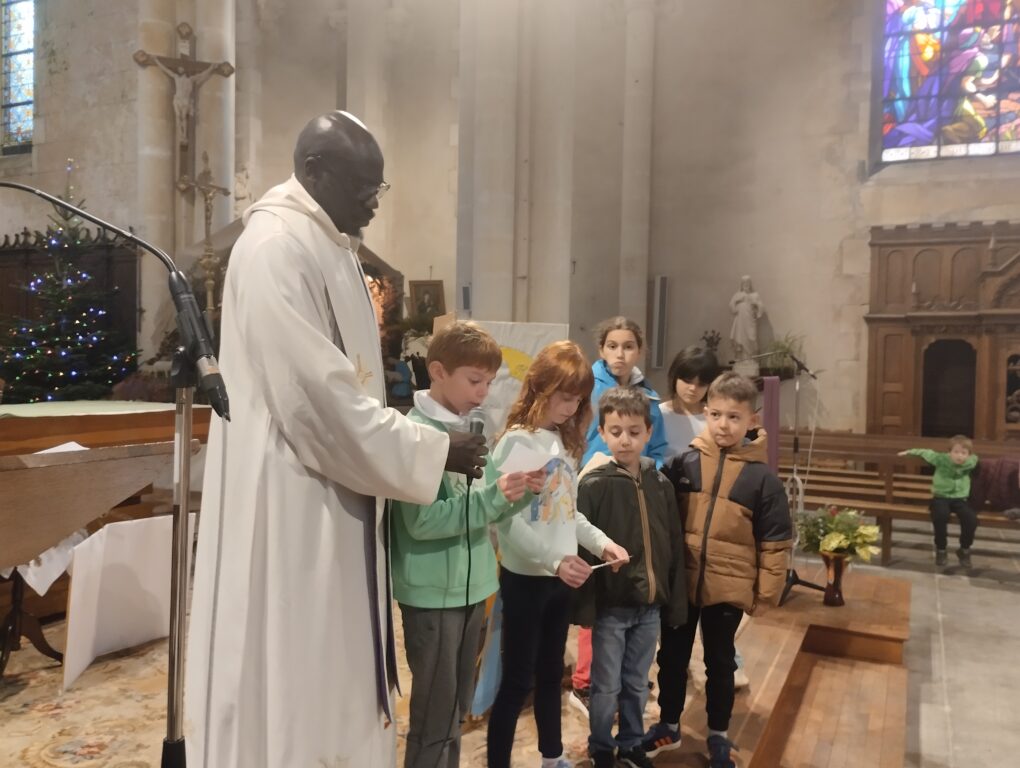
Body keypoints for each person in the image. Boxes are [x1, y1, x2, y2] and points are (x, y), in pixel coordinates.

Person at [184, 111, 488, 768]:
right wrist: (435, 450)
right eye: (364, 188)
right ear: (314, 171)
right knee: (299, 661)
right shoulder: (276, 248)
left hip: (336, 481)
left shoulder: (332, 244)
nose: (374, 203)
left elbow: (347, 391)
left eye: (379, 188)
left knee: (334, 660)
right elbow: (316, 401)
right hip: (293, 493)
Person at [391, 321, 544, 768]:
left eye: (489, 383)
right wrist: (495, 497)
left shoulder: (470, 427)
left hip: (474, 589)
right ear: (438, 371)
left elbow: (489, 506)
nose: (483, 393)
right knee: (434, 718)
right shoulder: (414, 434)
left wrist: (522, 490)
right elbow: (421, 523)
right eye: (474, 380)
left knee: (456, 711)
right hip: (433, 594)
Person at [486, 341, 629, 768]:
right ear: (540, 387)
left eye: (578, 400)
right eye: (565, 397)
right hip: (527, 580)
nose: (571, 407)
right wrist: (554, 561)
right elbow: (506, 522)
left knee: (552, 674)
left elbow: (569, 514)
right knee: (517, 682)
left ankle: (552, 757)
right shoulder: (517, 442)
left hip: (559, 581)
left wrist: (602, 543)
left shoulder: (564, 442)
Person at [642, 372, 792, 768]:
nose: (723, 425)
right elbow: (660, 521)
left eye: (734, 417)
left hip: (728, 588)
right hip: (682, 582)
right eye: (716, 415)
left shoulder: (763, 480)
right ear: (705, 413)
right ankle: (669, 724)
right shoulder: (683, 464)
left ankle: (719, 735)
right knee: (671, 658)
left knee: (721, 663)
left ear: (751, 420)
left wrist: (767, 593)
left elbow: (775, 541)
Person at [574, 387, 687, 768]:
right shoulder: (593, 484)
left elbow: (672, 544)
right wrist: (585, 607)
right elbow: (581, 547)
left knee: (638, 683)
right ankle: (601, 746)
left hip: (649, 606)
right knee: (605, 685)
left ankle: (632, 743)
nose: (625, 440)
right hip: (611, 607)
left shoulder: (661, 484)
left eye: (634, 432)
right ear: (602, 433)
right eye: (616, 431)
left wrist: (674, 601)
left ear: (648, 432)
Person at [572, 316, 667, 717]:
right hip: (595, 491)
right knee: (599, 588)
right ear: (601, 349)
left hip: (633, 495)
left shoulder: (650, 396)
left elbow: (658, 449)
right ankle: (585, 680)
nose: (620, 354)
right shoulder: (587, 387)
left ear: (640, 351)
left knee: (630, 584)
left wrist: (642, 473)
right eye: (612, 345)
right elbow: (577, 436)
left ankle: (628, 673)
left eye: (628, 346)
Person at [659, 347, 750, 690]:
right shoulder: (658, 414)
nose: (692, 388)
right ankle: (674, 662)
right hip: (670, 512)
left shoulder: (715, 418)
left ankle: (729, 658)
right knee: (675, 597)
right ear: (674, 377)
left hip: (712, 515)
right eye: (686, 378)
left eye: (701, 382)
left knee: (714, 595)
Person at [898, 436, 979, 568]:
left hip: (960, 498)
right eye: (956, 452)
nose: (959, 456)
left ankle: (964, 549)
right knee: (940, 516)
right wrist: (909, 452)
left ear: (969, 455)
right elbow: (926, 452)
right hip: (941, 497)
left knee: (971, 519)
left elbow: (977, 460)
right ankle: (941, 549)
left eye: (963, 453)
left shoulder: (971, 462)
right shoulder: (941, 459)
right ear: (949, 452)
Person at [728, 276, 764, 359]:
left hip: (750, 320)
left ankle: (752, 359)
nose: (746, 284)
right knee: (740, 338)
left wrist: (755, 304)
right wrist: (737, 303)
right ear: (741, 284)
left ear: (750, 284)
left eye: (747, 282)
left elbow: (761, 306)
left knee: (752, 337)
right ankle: (742, 359)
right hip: (740, 321)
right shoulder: (737, 294)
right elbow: (731, 305)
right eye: (744, 282)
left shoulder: (755, 295)